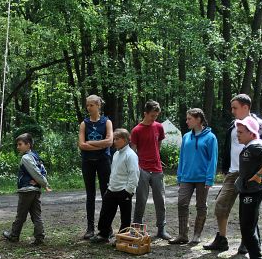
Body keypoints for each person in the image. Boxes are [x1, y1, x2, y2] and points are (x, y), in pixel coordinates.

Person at [204, 94, 262, 252]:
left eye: (235, 108)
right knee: (221, 205)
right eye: (232, 108)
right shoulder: (234, 124)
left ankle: (248, 241)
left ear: (246, 107)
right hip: (233, 172)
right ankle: (222, 239)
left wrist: (261, 172)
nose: (232, 111)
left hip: (250, 174)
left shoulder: (260, 125)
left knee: (249, 212)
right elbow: (229, 147)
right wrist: (226, 167)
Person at [169, 108, 218, 245]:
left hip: (202, 178)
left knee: (201, 206)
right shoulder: (186, 137)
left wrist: (210, 178)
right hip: (186, 177)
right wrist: (180, 176)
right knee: (181, 203)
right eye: (187, 118)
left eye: (189, 119)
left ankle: (197, 235)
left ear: (198, 119)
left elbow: (212, 159)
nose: (187, 121)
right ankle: (182, 235)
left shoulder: (210, 137)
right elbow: (182, 157)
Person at [232, 117, 262, 259]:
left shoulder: (255, 146)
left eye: (241, 132)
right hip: (247, 191)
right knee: (249, 226)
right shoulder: (250, 146)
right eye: (238, 132)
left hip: (252, 192)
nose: (238, 135)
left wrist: (258, 174)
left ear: (251, 133)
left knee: (248, 227)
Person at [91, 128, 140, 243]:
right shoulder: (116, 154)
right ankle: (104, 234)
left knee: (125, 216)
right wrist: (110, 187)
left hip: (124, 190)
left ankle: (123, 238)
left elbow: (134, 174)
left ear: (125, 140)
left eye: (117, 139)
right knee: (105, 212)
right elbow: (114, 172)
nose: (114, 141)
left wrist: (128, 191)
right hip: (112, 189)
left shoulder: (131, 155)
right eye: (114, 139)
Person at [3, 133, 52, 246]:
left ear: (28, 145)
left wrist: (44, 183)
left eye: (20, 144)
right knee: (36, 214)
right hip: (35, 190)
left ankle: (14, 235)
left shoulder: (26, 158)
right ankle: (39, 237)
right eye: (17, 144)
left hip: (27, 190)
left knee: (21, 214)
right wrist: (42, 182)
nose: (18, 147)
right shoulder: (35, 156)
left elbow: (36, 172)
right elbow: (43, 171)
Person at [131, 100, 171, 240]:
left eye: (156, 115)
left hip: (157, 168)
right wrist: (137, 168)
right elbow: (133, 151)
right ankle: (136, 229)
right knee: (141, 200)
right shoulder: (136, 130)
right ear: (145, 113)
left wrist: (157, 159)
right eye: (152, 115)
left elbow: (158, 145)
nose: (154, 118)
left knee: (160, 200)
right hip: (142, 168)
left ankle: (161, 229)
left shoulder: (159, 127)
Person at [78, 95, 113, 239]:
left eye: (91, 105)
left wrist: (90, 144)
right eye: (87, 105)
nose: (88, 108)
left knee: (106, 194)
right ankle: (90, 228)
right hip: (88, 162)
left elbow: (110, 141)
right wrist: (100, 144)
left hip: (103, 161)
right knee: (90, 194)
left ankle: (106, 228)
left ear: (98, 105)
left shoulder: (107, 122)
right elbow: (81, 145)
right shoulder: (84, 124)